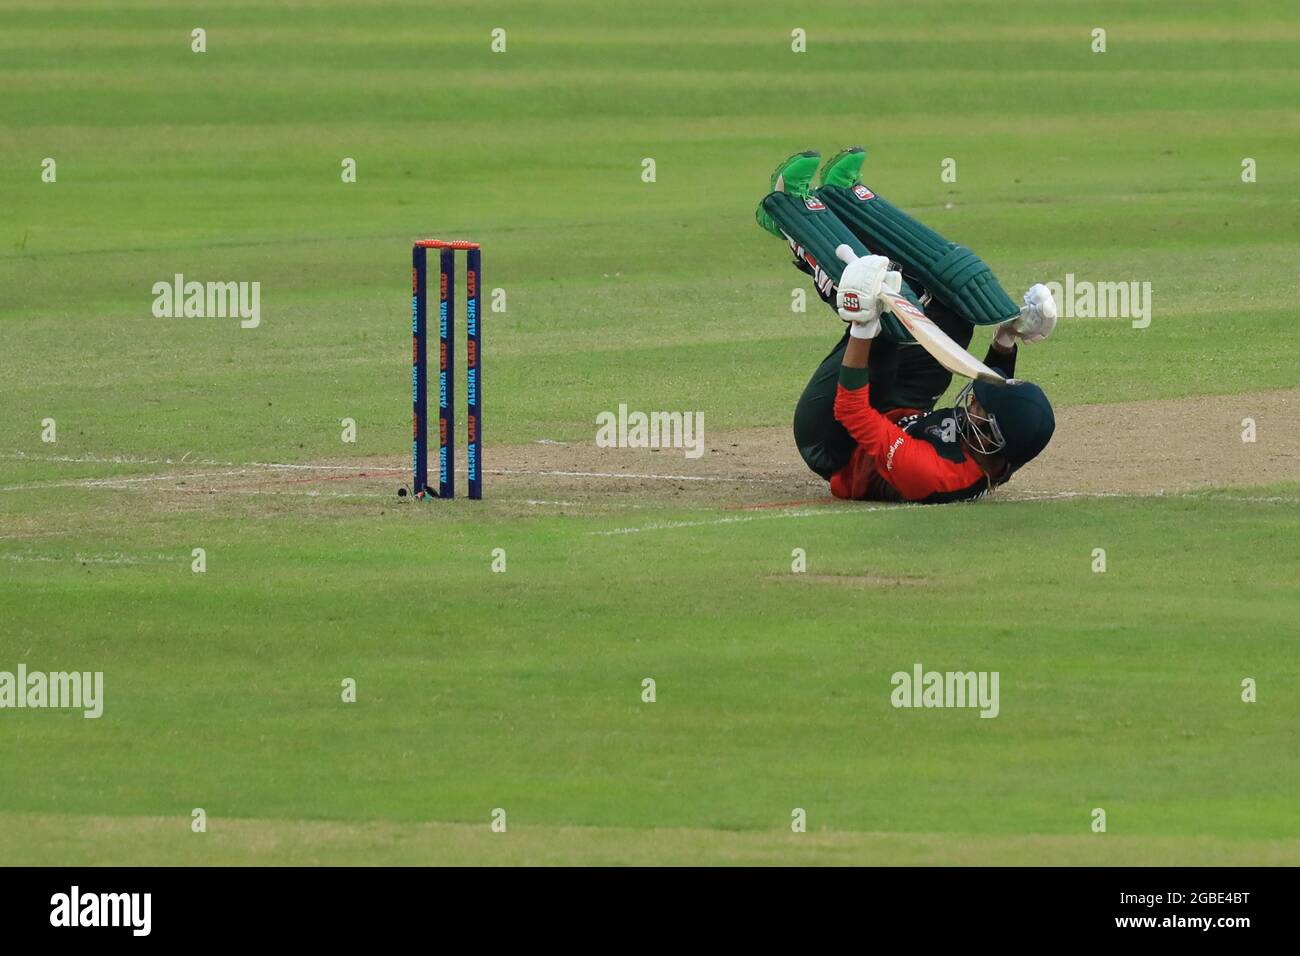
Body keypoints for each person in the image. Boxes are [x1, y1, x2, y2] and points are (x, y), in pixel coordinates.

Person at [756, 148, 1058, 503]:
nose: (973, 401)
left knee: (882, 317)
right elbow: (994, 383)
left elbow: (852, 413)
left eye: (981, 409)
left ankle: (789, 222)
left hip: (838, 442)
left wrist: (863, 325)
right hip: (906, 406)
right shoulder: (993, 449)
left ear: (994, 439)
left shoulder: (930, 473)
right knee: (956, 312)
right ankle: (843, 199)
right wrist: (1007, 334)